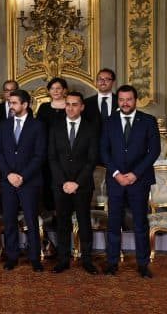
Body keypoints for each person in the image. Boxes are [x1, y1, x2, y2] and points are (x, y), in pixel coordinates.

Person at [100, 85, 160, 278]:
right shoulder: (109, 122)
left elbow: (154, 151)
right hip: (115, 180)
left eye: (129, 100)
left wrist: (135, 174)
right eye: (122, 100)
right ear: (118, 101)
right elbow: (104, 151)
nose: (125, 103)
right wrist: (117, 173)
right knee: (113, 222)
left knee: (140, 223)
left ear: (136, 100)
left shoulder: (148, 121)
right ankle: (112, 262)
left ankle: (143, 264)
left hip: (139, 180)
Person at [47, 92, 99, 275]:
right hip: (60, 185)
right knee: (62, 223)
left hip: (82, 185)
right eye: (67, 104)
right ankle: (63, 260)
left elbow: (92, 160)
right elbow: (52, 158)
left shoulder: (91, 128)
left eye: (74, 104)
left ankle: (87, 260)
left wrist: (76, 183)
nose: (70, 108)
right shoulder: (55, 127)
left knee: (84, 223)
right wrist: (64, 182)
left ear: (82, 107)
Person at [0, 89, 46, 272]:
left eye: (15, 103)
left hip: (29, 182)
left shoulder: (37, 126)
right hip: (8, 182)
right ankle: (12, 257)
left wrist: (22, 176)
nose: (11, 106)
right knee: (9, 221)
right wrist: (8, 174)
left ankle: (35, 259)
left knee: (31, 221)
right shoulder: (3, 125)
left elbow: (39, 156)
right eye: (10, 103)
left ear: (25, 104)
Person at [36, 77, 69, 212]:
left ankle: (64, 212)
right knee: (49, 180)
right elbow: (38, 130)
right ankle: (50, 213)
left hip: (66, 151)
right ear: (49, 91)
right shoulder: (44, 107)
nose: (55, 91)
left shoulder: (70, 106)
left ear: (64, 90)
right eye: (52, 88)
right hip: (47, 151)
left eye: (58, 88)